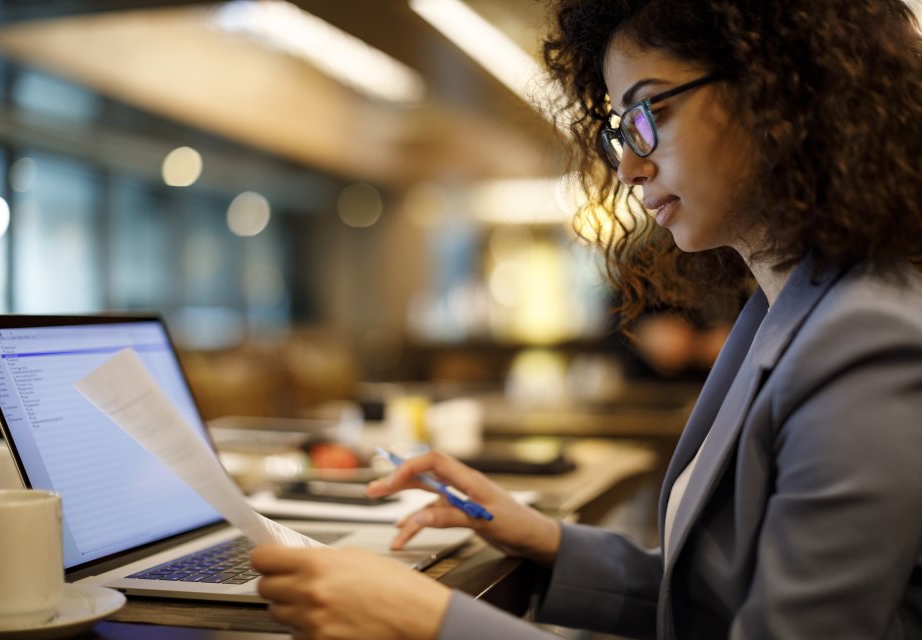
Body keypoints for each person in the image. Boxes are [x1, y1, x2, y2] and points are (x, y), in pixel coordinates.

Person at [250, 0, 922, 637]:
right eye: (619, 131)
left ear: (775, 86)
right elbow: (718, 602)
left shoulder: (869, 338)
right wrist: (541, 536)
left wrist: (431, 622)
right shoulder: (785, 309)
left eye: (647, 112)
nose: (629, 165)